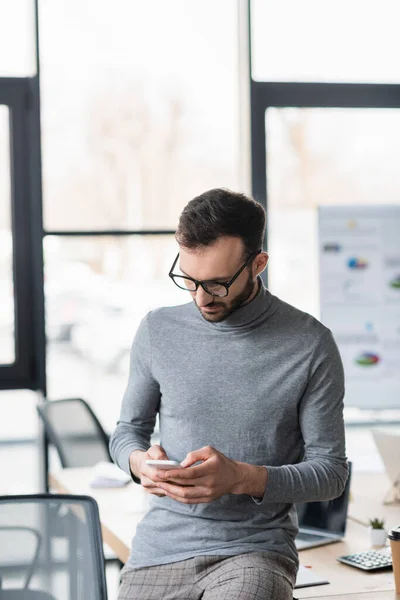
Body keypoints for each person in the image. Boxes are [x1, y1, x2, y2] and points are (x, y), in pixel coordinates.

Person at [110, 188, 348, 600]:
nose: (201, 298)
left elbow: (331, 473)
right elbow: (127, 432)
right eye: (188, 279)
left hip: (254, 550)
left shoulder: (309, 344)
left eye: (218, 284)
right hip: (160, 549)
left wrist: (241, 477)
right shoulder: (157, 330)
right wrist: (139, 464)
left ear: (258, 264)